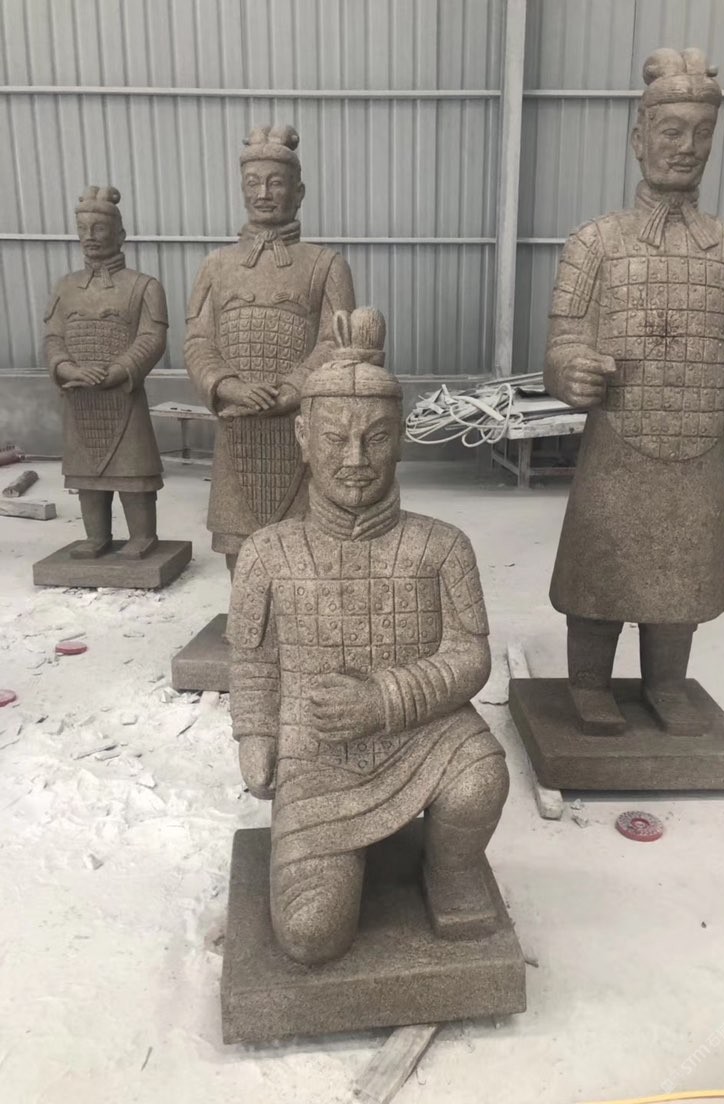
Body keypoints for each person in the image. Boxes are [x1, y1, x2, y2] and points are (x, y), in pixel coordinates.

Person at [228, 308, 509, 965]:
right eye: (335, 438)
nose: (355, 459)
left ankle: (451, 867)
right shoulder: (266, 552)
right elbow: (252, 657)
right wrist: (255, 733)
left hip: (423, 732)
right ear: (303, 437)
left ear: (401, 439)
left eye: (375, 438)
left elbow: (470, 656)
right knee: (311, 935)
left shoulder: (442, 546)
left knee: (480, 778)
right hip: (317, 747)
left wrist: (384, 699)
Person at [545, 48, 724, 735]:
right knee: (600, 568)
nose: (687, 147)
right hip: (619, 439)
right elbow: (562, 343)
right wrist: (570, 372)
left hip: (696, 439)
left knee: (682, 577)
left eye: (702, 133)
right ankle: (588, 683)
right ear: (639, 139)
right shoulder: (595, 243)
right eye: (672, 131)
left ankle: (667, 684)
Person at [185, 124, 355, 576]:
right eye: (253, 182)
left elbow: (337, 341)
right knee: (238, 540)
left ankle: (302, 613)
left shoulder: (327, 264)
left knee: (305, 541)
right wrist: (228, 386)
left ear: (299, 193)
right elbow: (198, 340)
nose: (263, 193)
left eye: (276, 183)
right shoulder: (215, 265)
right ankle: (245, 614)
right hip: (237, 423)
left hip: (300, 424)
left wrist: (292, 390)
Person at [44, 185, 168, 559]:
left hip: (123, 394)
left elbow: (152, 338)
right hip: (80, 396)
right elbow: (53, 337)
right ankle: (96, 536)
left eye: (99, 228)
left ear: (120, 234)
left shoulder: (144, 286)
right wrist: (65, 367)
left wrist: (120, 370)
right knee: (87, 474)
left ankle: (143, 535)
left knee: (133, 470)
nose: (90, 236)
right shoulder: (65, 287)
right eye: (83, 229)